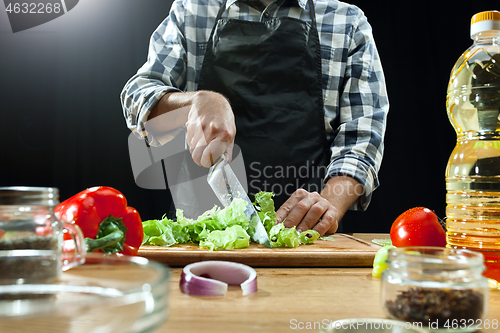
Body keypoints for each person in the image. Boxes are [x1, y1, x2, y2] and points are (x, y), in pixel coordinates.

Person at [121, 0, 389, 236]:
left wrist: (329, 204)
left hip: (305, 239)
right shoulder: (191, 10)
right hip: (201, 240)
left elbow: (362, 140)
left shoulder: (347, 23)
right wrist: (195, 102)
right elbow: (137, 97)